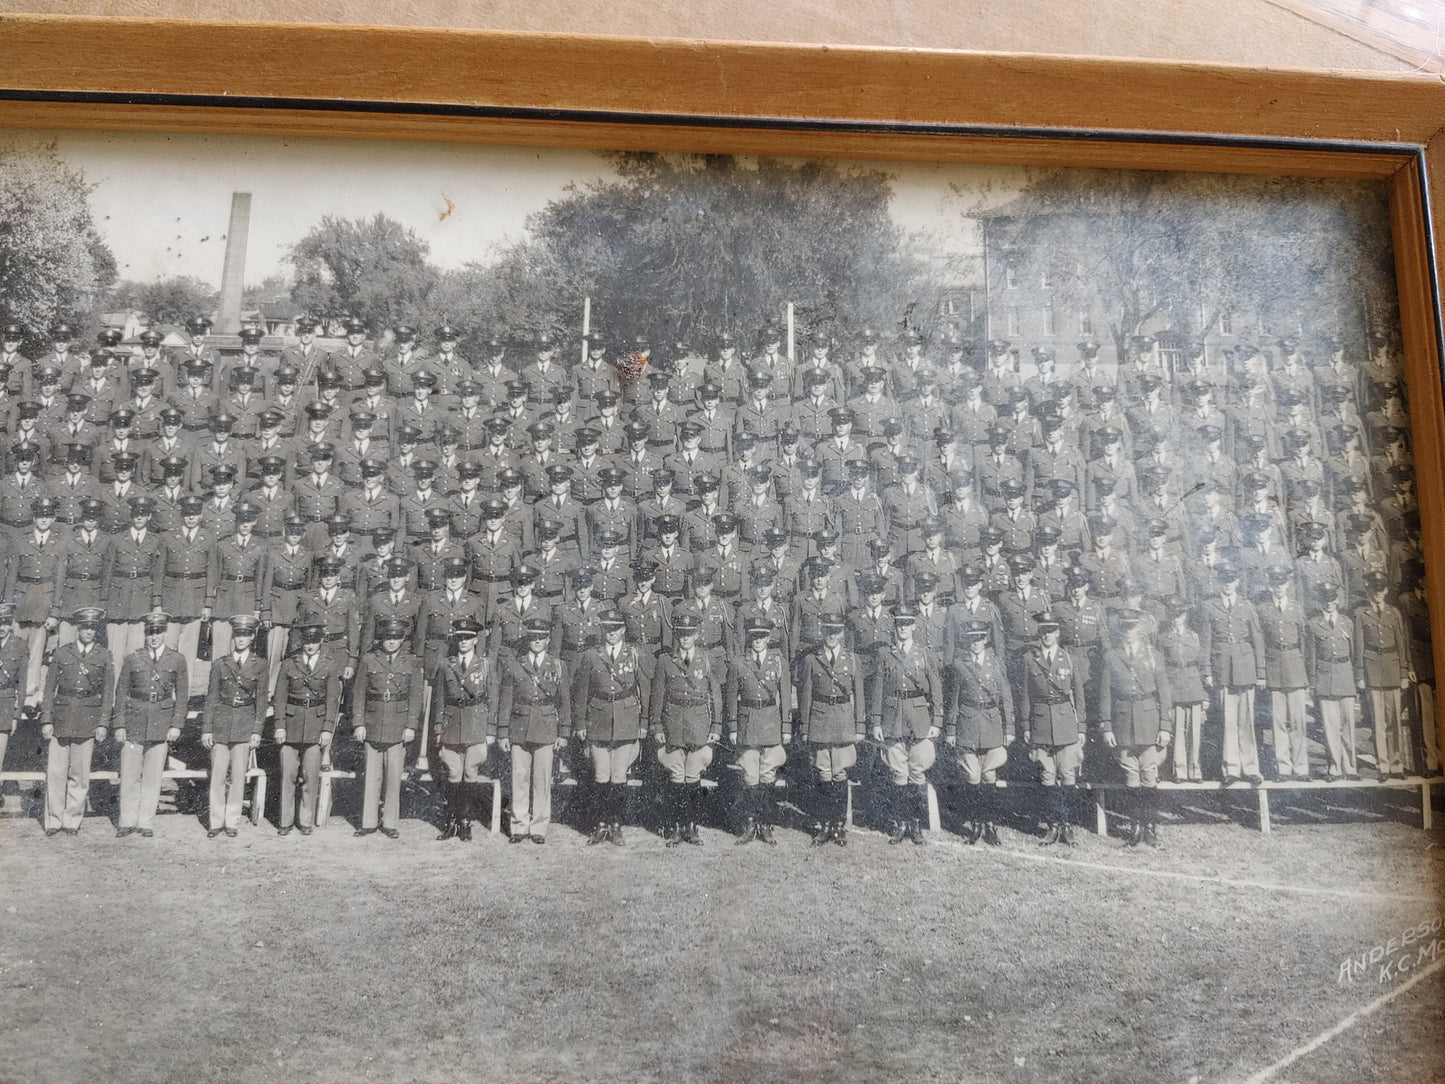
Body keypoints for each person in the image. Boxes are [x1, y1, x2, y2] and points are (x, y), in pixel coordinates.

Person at [569, 610, 650, 845]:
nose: (612, 633)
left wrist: (643, 723)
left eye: (616, 628)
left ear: (623, 629)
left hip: (626, 719)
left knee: (619, 776)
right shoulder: (592, 656)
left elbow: (644, 689)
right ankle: (600, 824)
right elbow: (582, 691)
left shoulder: (634, 655)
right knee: (601, 775)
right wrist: (581, 723)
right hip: (599, 718)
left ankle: (616, 825)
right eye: (607, 628)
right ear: (602, 630)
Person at [1099, 609, 1174, 847]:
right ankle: (1135, 827)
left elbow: (1164, 693)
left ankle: (1150, 827)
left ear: (1140, 630)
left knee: (1149, 772)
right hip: (1123, 723)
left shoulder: (1153, 655)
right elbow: (1106, 695)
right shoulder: (1112, 657)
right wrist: (1107, 727)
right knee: (1131, 774)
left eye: (1132, 628)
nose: (1128, 633)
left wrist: (1165, 726)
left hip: (1148, 720)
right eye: (1124, 628)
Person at [869, 605, 942, 844]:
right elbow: (878, 689)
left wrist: (937, 720)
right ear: (895, 626)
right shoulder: (884, 654)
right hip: (893, 717)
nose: (903, 628)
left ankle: (916, 824)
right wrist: (877, 721)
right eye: (899, 623)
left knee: (917, 773)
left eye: (907, 623)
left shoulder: (924, 653)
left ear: (913, 626)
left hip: (919, 717)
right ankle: (901, 823)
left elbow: (936, 690)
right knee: (898, 772)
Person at [113, 612, 189, 838]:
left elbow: (182, 695)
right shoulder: (133, 658)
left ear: (166, 632)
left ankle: (145, 821)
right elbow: (121, 693)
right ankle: (127, 820)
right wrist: (119, 725)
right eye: (150, 632)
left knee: (153, 776)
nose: (154, 637)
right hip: (134, 721)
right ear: (145, 634)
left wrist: (176, 724)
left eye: (158, 632)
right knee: (129, 774)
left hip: (161, 722)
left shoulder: (177, 659)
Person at [39, 607, 113, 835]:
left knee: (79, 775)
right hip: (61, 717)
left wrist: (102, 723)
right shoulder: (62, 653)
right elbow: (49, 688)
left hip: (87, 719)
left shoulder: (104, 655)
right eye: (85, 627)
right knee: (56, 772)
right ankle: (54, 819)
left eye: (93, 628)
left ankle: (72, 820)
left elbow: (108, 692)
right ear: (78, 628)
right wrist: (47, 720)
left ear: (97, 630)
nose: (89, 632)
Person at [497, 616, 570, 844]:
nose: (537, 641)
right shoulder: (514, 664)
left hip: (547, 727)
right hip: (519, 726)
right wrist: (502, 731)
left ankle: (539, 826)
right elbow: (506, 699)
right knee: (519, 778)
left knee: (542, 779)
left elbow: (565, 702)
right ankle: (519, 825)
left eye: (541, 637)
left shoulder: (558, 665)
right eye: (533, 637)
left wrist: (564, 732)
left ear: (548, 639)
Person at [797, 613, 867, 846]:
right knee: (823, 773)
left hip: (844, 721)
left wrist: (860, 726)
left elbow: (859, 695)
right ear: (822, 632)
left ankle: (838, 825)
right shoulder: (811, 659)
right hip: (819, 719)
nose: (832, 636)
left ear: (842, 633)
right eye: (828, 631)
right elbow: (805, 695)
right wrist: (805, 728)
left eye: (836, 631)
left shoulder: (852, 659)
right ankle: (824, 824)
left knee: (840, 774)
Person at [352, 617, 424, 838]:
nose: (391, 642)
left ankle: (391, 822)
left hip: (398, 723)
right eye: (387, 638)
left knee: (393, 776)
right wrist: (359, 723)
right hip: (373, 723)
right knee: (371, 775)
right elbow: (359, 693)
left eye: (396, 638)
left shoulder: (411, 662)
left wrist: (411, 725)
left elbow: (415, 696)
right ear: (381, 639)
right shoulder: (368, 660)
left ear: (402, 639)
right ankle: (369, 821)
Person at [944, 619, 1014, 845]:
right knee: (973, 775)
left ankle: (990, 825)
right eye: (971, 638)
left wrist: (1009, 727)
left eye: (980, 638)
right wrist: (951, 729)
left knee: (989, 775)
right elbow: (953, 699)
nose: (976, 643)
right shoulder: (959, 664)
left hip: (992, 722)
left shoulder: (996, 663)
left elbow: (1006, 697)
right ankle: (975, 824)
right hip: (968, 722)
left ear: (986, 639)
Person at [271, 621, 344, 835]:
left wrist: (327, 729)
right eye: (306, 640)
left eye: (314, 641)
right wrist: (279, 725)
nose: (310, 645)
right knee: (288, 775)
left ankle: (305, 820)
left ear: (321, 641)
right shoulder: (289, 664)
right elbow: (280, 698)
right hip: (291, 725)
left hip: (316, 726)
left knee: (311, 776)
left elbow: (332, 700)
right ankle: (285, 821)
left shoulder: (329, 664)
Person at [431, 618, 500, 841]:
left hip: (475, 722)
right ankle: (451, 820)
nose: (463, 642)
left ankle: (466, 821)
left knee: (471, 772)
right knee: (453, 772)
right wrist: (439, 727)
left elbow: (493, 699)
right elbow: (439, 698)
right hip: (452, 722)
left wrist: (490, 729)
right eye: (460, 637)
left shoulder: (485, 665)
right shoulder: (445, 664)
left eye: (468, 637)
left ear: (476, 640)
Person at [1020, 612, 1087, 845]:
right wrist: (1026, 724)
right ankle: (1052, 825)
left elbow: (1079, 696)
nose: (1046, 635)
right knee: (1047, 775)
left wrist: (1082, 728)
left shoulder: (1069, 659)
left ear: (1058, 633)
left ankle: (1067, 825)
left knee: (1068, 774)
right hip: (1040, 723)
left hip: (1066, 723)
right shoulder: (1030, 659)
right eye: (1043, 631)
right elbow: (1026, 696)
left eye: (1050, 630)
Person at [725, 616, 792, 845]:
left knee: (768, 774)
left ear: (768, 638)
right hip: (748, 722)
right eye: (754, 636)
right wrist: (733, 726)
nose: (758, 641)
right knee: (750, 774)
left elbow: (784, 695)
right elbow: (731, 697)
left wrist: (786, 727)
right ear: (749, 638)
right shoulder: (738, 662)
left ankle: (766, 823)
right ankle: (749, 823)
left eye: (762, 636)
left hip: (771, 721)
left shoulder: (778, 660)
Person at [202, 614, 268, 838]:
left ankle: (232, 821)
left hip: (244, 724)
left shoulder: (259, 665)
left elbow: (261, 701)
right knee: (218, 774)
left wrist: (257, 730)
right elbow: (211, 698)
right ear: (233, 637)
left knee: (239, 775)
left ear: (252, 637)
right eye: (238, 635)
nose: (241, 639)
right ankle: (215, 821)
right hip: (221, 722)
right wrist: (207, 728)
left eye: (246, 635)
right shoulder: (220, 663)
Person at [1199, 567, 1266, 786]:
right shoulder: (1210, 606)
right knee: (1228, 722)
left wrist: (1261, 672)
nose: (1227, 583)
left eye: (1231, 579)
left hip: (1245, 667)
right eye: (1223, 579)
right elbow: (1206, 641)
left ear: (1237, 581)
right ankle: (1231, 768)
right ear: (1218, 581)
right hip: (1222, 669)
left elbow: (1257, 640)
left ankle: (1251, 768)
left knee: (1247, 722)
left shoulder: (1247, 606)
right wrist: (1207, 670)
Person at [1355, 570, 1414, 778]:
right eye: (1374, 589)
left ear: (1386, 590)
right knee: (1377, 721)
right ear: (1368, 590)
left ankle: (1396, 762)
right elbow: (1359, 646)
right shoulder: (1361, 614)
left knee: (1394, 720)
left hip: (1392, 668)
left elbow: (1401, 643)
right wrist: (1360, 675)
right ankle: (1383, 765)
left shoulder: (1393, 613)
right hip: (1372, 669)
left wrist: (1404, 672)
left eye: (1381, 589)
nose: (1377, 593)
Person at [1307, 585, 1359, 781]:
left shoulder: (1347, 623)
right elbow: (1311, 657)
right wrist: (1313, 683)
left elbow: (1354, 653)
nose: (1328, 603)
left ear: (1337, 600)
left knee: (1348, 725)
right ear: (1320, 601)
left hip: (1345, 675)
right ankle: (1334, 767)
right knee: (1330, 726)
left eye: (1331, 598)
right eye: (1324, 598)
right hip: (1325, 677)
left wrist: (1356, 678)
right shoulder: (1313, 624)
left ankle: (1351, 767)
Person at [1158, 597, 1207, 782]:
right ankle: (1180, 771)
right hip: (1175, 686)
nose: (1175, 618)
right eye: (1172, 614)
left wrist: (1205, 693)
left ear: (1185, 616)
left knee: (1195, 732)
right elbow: (1161, 667)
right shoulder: (1163, 639)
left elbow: (1202, 665)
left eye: (1179, 615)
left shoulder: (1194, 636)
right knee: (1178, 731)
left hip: (1194, 685)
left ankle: (1195, 770)